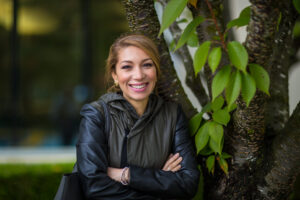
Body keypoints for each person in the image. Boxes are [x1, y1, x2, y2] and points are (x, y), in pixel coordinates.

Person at [76, 33, 200, 200]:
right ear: (114, 74)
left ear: (156, 70)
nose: (139, 75)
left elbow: (188, 184)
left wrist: (126, 175)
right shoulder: (96, 116)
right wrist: (159, 179)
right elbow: (94, 187)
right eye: (127, 67)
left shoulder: (172, 114)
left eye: (147, 65)